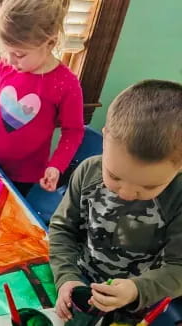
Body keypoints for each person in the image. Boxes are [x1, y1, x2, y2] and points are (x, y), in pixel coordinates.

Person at [49, 80, 182, 322]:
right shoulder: (88, 172)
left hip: (138, 304)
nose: (126, 194)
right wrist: (67, 277)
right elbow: (62, 229)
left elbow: (178, 268)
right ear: (105, 138)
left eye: (149, 186)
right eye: (114, 176)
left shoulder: (178, 198)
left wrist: (136, 290)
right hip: (80, 285)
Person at [0, 0, 85, 197]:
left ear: (50, 43)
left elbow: (73, 132)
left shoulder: (66, 84)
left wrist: (57, 165)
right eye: (7, 52)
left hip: (24, 176)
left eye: (19, 54)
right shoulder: (5, 66)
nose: (10, 60)